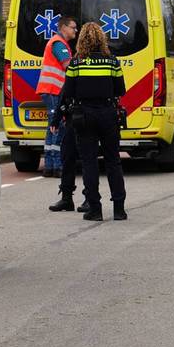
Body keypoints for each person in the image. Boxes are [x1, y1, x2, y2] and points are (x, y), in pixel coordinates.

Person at [51, 22, 127, 222]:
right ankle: (119, 209)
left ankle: (95, 209)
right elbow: (121, 89)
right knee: (113, 161)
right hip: (108, 114)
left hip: (84, 116)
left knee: (89, 162)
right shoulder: (112, 62)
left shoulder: (77, 63)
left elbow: (67, 93)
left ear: (82, 40)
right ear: (102, 39)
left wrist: (57, 116)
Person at [36, 15, 77, 177]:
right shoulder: (59, 44)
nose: (76, 30)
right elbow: (68, 65)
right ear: (64, 27)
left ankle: (49, 166)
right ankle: (57, 165)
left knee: (52, 126)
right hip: (54, 90)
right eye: (73, 27)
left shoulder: (59, 43)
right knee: (57, 126)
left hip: (52, 89)